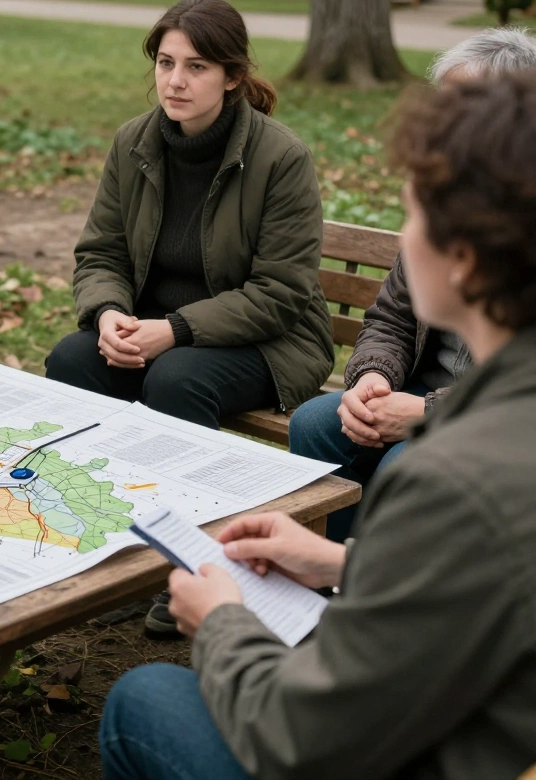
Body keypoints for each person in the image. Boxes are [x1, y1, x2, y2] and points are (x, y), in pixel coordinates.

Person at [100, 71, 536, 780]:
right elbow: (490, 586)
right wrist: (341, 562)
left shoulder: (456, 483)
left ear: (462, 259)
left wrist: (221, 623)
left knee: (143, 696)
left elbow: (302, 738)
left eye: (414, 217)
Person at [45, 0, 333, 635]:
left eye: (196, 67)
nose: (175, 81)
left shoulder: (279, 158)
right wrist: (109, 314)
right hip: (152, 330)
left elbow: (282, 292)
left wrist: (171, 332)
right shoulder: (134, 143)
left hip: (270, 340)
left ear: (232, 78)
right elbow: (101, 252)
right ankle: (109, 543)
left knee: (175, 380)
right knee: (71, 358)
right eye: (166, 62)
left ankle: (183, 564)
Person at [289, 26, 536, 541]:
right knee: (316, 422)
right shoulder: (445, 200)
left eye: (462, 112)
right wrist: (371, 378)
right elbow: (391, 317)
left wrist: (427, 413)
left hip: (490, 415)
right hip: (420, 385)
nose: (441, 130)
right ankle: (334, 568)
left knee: (405, 461)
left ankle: (371, 581)